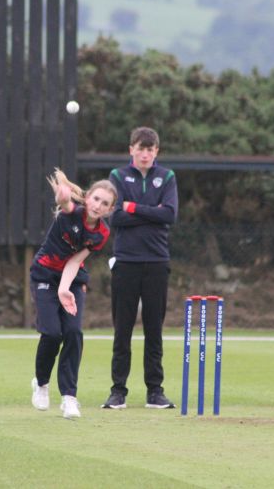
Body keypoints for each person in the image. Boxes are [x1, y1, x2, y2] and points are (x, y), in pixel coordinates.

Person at [30, 169, 117, 419]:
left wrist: (65, 289)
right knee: (52, 333)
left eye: (105, 204)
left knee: (73, 333)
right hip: (44, 275)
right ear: (87, 198)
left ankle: (69, 397)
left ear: (110, 210)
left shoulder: (101, 233)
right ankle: (41, 383)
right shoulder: (72, 212)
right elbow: (65, 204)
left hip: (72, 279)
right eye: (96, 199)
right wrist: (62, 197)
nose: (98, 205)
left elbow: (75, 261)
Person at [102, 126, 178, 410]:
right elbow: (115, 217)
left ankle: (155, 391)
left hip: (157, 260)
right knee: (122, 329)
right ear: (131, 149)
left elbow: (169, 214)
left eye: (150, 149)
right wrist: (150, 213)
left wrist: (133, 208)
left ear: (156, 151)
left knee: (154, 329)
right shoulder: (117, 176)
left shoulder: (167, 177)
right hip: (126, 261)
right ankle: (118, 391)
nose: (145, 154)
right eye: (140, 148)